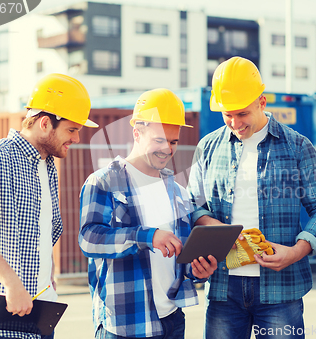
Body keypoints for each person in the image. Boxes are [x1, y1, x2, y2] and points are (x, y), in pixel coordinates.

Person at [187, 56, 316, 339]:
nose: (234, 122)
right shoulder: (207, 147)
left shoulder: (297, 146)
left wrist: (297, 251)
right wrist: (215, 228)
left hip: (282, 288)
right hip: (222, 287)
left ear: (262, 102)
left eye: (242, 114)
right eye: (227, 114)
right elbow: (192, 206)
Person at [0, 73, 98, 339]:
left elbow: (43, 235)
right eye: (71, 130)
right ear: (45, 123)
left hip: (37, 316)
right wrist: (10, 282)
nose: (76, 138)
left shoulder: (47, 167)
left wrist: (48, 275)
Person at [78, 88, 217, 339]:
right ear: (137, 133)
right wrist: (148, 236)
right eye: (159, 140)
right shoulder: (103, 182)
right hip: (125, 324)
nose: (167, 149)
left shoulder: (177, 191)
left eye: (173, 142)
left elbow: (179, 256)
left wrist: (197, 271)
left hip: (172, 321)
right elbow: (89, 238)